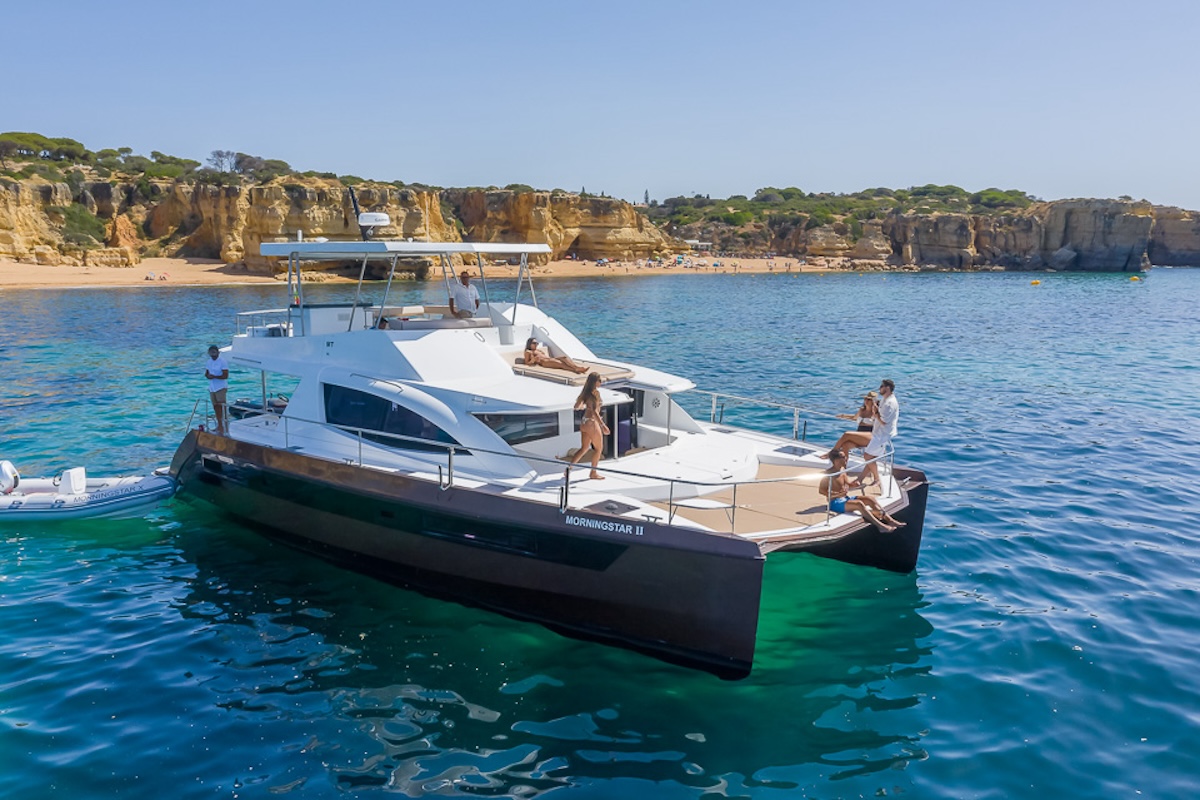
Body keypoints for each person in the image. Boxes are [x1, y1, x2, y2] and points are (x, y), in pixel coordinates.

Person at [822, 379, 899, 486]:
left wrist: (875, 413)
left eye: (881, 386)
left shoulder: (888, 404)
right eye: (866, 399)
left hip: (877, 435)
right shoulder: (878, 404)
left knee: (848, 436)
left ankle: (831, 454)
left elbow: (884, 421)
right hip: (871, 435)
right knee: (846, 445)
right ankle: (842, 470)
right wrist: (843, 415)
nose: (880, 388)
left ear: (887, 388)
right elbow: (856, 418)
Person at [820, 449, 904, 532]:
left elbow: (848, 483)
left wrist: (854, 484)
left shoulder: (842, 471)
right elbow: (821, 490)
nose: (846, 458)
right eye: (843, 457)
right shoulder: (828, 474)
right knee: (859, 504)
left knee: (870, 499)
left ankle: (890, 520)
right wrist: (836, 494)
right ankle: (881, 526)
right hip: (835, 503)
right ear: (836, 460)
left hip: (846, 498)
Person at [567, 372, 609, 480]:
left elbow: (576, 406)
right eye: (600, 381)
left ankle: (569, 468)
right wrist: (603, 425)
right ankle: (593, 473)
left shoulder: (585, 393)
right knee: (599, 449)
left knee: (584, 448)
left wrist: (585, 406)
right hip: (592, 423)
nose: (601, 383)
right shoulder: (595, 393)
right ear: (595, 382)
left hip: (584, 422)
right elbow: (595, 412)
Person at [524, 337, 588, 374]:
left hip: (550, 359)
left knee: (564, 358)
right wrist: (533, 360)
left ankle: (577, 367)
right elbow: (527, 363)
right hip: (544, 362)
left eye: (537, 343)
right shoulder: (528, 352)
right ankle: (575, 370)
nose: (536, 344)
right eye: (534, 343)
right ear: (530, 344)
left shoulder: (538, 350)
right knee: (560, 363)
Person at [205, 345, 230, 435]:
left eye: (214, 352)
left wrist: (215, 376)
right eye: (211, 352)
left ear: (218, 352)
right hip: (212, 388)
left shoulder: (222, 362)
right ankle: (219, 425)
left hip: (220, 387)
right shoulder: (209, 362)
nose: (213, 354)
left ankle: (225, 426)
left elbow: (225, 375)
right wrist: (208, 376)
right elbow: (206, 373)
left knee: (221, 406)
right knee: (215, 407)